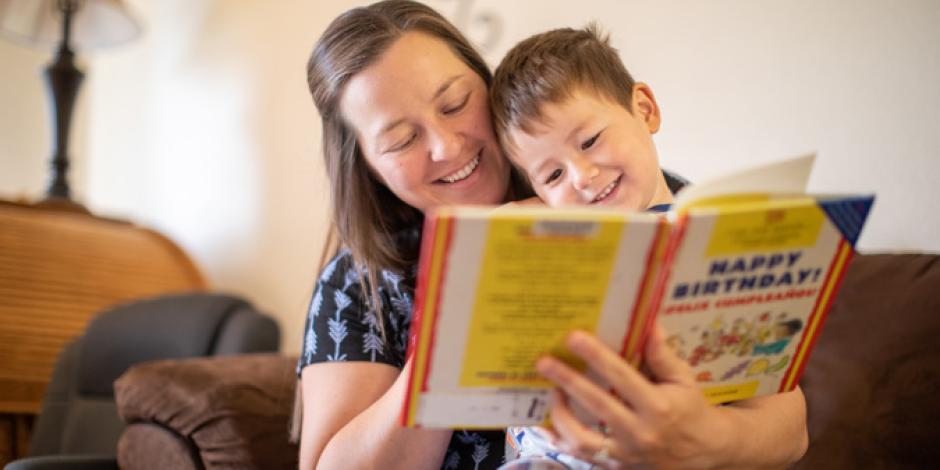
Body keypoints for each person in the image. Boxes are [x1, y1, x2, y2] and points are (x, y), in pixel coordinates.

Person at [297, 2, 807, 469]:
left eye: (454, 104)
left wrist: (703, 438)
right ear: (366, 167)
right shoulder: (359, 283)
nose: (447, 146)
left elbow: (787, 426)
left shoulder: (639, 200)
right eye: (402, 140)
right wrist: (451, 333)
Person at [489, 25, 808, 468]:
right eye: (553, 176)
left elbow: (780, 403)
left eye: (589, 141)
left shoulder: (708, 240)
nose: (581, 176)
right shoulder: (545, 240)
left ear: (645, 109)